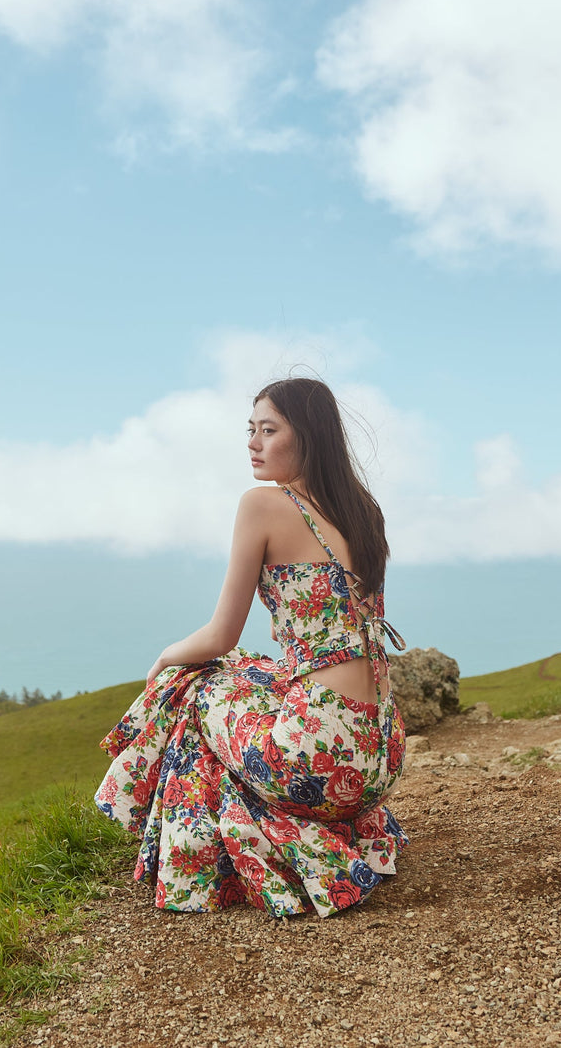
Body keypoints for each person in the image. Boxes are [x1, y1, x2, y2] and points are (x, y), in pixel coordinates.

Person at [94, 377, 408, 918]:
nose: (253, 443)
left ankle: (192, 867)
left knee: (196, 685)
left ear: (307, 438)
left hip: (316, 758)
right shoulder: (363, 510)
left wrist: (168, 655)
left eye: (269, 430)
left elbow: (220, 636)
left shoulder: (263, 505)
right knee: (245, 674)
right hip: (380, 752)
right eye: (251, 430)